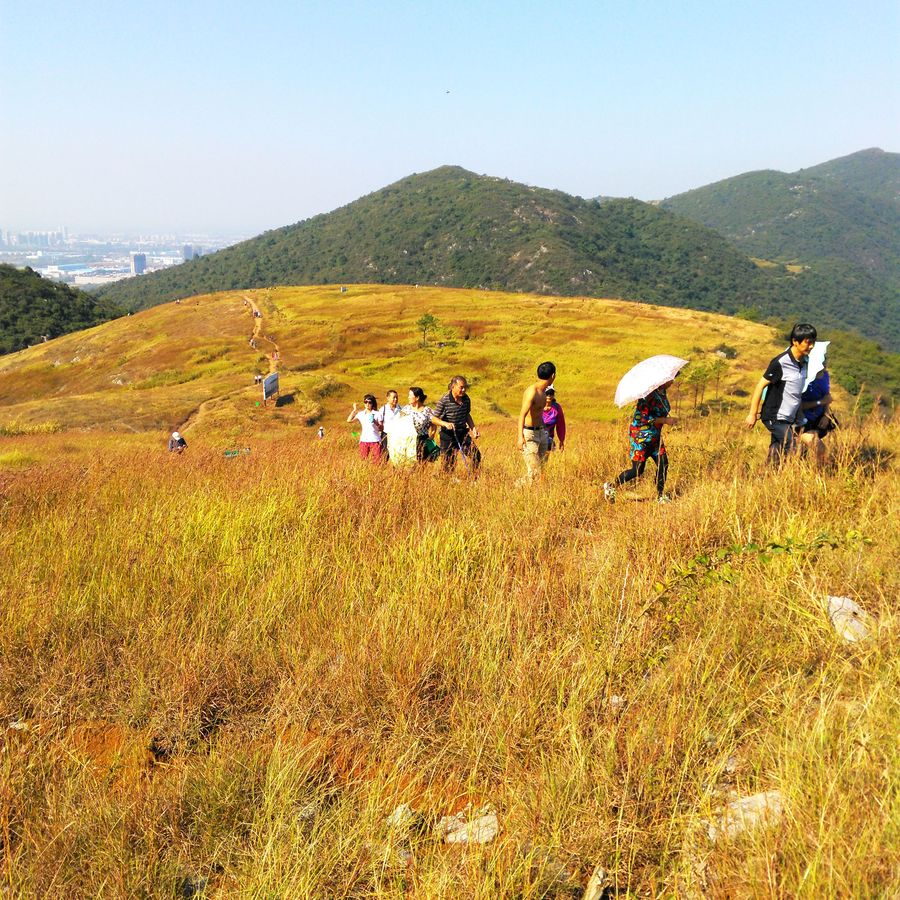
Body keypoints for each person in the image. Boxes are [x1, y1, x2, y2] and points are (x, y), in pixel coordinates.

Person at [745, 323, 816, 464]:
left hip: (790, 417)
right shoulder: (780, 362)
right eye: (808, 343)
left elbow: (796, 392)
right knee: (794, 448)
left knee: (776, 452)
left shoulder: (805, 361)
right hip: (775, 416)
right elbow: (760, 386)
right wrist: (752, 414)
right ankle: (795, 479)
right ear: (795, 342)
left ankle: (766, 477)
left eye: (813, 342)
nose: (811, 346)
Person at [603, 381, 676, 503]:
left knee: (663, 463)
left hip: (655, 437)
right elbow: (643, 418)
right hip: (641, 437)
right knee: (638, 469)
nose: (672, 381)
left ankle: (660, 496)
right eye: (671, 379)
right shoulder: (648, 395)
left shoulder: (662, 392)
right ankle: (611, 486)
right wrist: (664, 420)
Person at [516, 361, 557, 482]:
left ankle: (536, 494)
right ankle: (517, 487)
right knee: (534, 471)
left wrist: (546, 433)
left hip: (541, 433)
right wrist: (520, 438)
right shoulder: (532, 392)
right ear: (553, 376)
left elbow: (539, 415)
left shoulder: (544, 393)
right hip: (529, 434)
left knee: (543, 470)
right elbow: (522, 415)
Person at [432, 376, 481, 474]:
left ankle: (474, 478)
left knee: (476, 455)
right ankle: (446, 481)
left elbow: (467, 415)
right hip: (448, 435)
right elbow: (433, 419)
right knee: (449, 463)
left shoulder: (466, 399)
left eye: (465, 387)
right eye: (461, 387)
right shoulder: (444, 400)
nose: (464, 390)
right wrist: (445, 424)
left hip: (462, 433)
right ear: (453, 387)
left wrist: (473, 428)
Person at [404, 387, 454, 462]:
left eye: (410, 395)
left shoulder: (427, 410)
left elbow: (433, 422)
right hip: (409, 440)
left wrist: (432, 435)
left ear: (417, 397)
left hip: (423, 439)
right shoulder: (406, 409)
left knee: (422, 462)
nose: (408, 397)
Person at [347, 395, 383, 462]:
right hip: (364, 441)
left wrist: (375, 422)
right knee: (363, 461)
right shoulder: (361, 414)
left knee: (377, 462)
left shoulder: (377, 414)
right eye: (365, 402)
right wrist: (354, 410)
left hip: (375, 440)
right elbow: (349, 420)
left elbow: (381, 428)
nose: (367, 404)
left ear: (372, 404)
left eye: (369, 402)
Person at [378, 390, 403, 459]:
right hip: (386, 435)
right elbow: (380, 424)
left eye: (397, 397)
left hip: (398, 436)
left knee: (397, 456)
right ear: (388, 398)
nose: (396, 399)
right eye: (394, 397)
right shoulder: (383, 409)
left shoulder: (401, 409)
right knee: (385, 456)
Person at [542, 387, 566, 452]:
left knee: (544, 461)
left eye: (551, 393)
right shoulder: (538, 405)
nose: (549, 396)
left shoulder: (557, 408)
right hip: (536, 438)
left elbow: (561, 425)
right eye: (547, 393)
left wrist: (561, 440)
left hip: (549, 441)